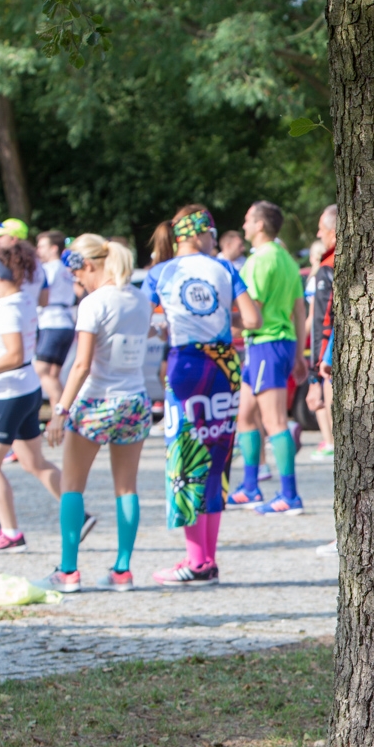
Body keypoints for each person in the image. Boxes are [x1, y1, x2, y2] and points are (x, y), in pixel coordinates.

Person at [147, 205, 261, 586]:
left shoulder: (160, 273)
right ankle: (207, 560)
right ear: (195, 234)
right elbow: (253, 319)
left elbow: (144, 322)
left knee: (184, 458)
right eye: (211, 233)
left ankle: (195, 562)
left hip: (186, 367)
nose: (215, 239)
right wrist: (215, 321)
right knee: (216, 457)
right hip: (225, 366)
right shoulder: (225, 267)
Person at [40, 237, 152, 591]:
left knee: (72, 486)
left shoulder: (93, 303)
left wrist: (60, 409)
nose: (77, 283)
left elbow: (81, 365)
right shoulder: (141, 299)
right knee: (126, 488)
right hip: (134, 400)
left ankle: (68, 570)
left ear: (89, 265)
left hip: (96, 401)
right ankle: (123, 570)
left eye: (77, 275)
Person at [0, 240, 65, 554]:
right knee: (34, 461)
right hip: (26, 389)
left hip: (9, 393)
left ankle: (10, 533)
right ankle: (78, 512)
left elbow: (14, 355)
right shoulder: (23, 299)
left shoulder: (10, 308)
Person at [228, 201, 308, 514]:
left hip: (267, 343)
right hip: (276, 344)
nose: (244, 226)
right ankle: (250, 488)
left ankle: (290, 495)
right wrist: (300, 352)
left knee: (274, 421)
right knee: (245, 416)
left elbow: (253, 315)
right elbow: (299, 310)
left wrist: (220, 318)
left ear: (260, 225)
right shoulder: (286, 258)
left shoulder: (261, 260)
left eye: (248, 220)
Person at [305, 205, 338, 462]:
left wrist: (316, 372)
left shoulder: (329, 266)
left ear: (334, 233)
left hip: (329, 359)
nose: (318, 233)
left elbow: (324, 323)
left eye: (322, 229)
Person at [34, 230, 80, 405]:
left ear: (53, 249)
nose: (38, 250)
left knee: (42, 371)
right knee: (53, 375)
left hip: (51, 322)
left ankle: (63, 411)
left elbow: (41, 296)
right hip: (66, 322)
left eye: (41, 246)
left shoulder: (47, 269)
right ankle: (58, 420)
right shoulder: (66, 270)